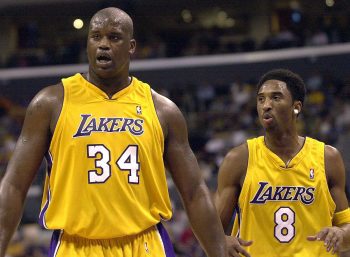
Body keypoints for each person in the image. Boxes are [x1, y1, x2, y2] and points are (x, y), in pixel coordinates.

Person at [0, 7, 228, 257]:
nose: (103, 45)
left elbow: (194, 191)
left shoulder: (163, 110)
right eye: (96, 36)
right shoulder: (50, 103)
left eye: (114, 37)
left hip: (145, 244)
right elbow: (13, 185)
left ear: (131, 46)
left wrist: (217, 247)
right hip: (75, 246)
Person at [215, 69, 350, 257]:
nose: (266, 105)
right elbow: (211, 230)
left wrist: (341, 234)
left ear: (296, 107)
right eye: (261, 99)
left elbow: (347, 230)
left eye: (276, 98)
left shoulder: (327, 158)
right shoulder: (239, 159)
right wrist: (221, 240)